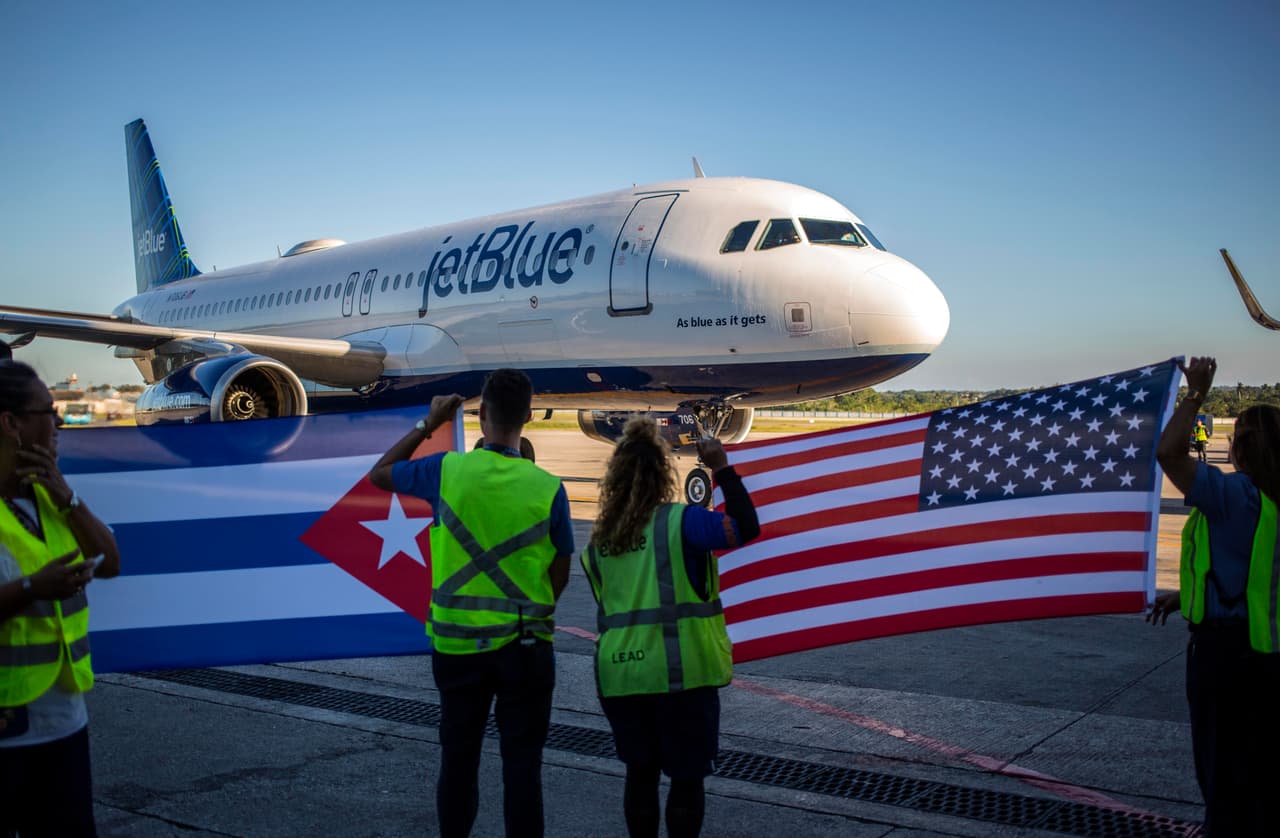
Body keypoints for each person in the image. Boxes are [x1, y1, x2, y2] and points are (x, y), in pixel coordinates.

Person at [369, 369, 572, 838]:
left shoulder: (447, 470)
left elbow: (380, 474)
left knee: (459, 762)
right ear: (526, 417)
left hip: (459, 650)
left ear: (481, 415)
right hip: (525, 649)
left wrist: (429, 424)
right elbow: (559, 572)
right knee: (523, 770)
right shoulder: (548, 488)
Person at [581, 417, 760, 838]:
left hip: (621, 677)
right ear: (663, 475)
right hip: (682, 677)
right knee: (686, 780)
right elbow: (744, 527)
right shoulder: (683, 522)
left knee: (639, 777)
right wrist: (722, 469)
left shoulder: (599, 542)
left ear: (617, 478)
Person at [1148, 356, 1280, 836]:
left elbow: (1168, 453)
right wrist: (1188, 594)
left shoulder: (1234, 497)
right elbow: (1259, 573)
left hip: (1228, 658)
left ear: (1240, 448)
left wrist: (1196, 394)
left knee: (1223, 773)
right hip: (1269, 654)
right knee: (1262, 771)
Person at [0, 360, 121, 837]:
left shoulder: (50, 496)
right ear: (10, 423)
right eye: (47, 412)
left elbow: (110, 563)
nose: (58, 424)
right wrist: (32, 589)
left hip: (63, 721)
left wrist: (67, 496)